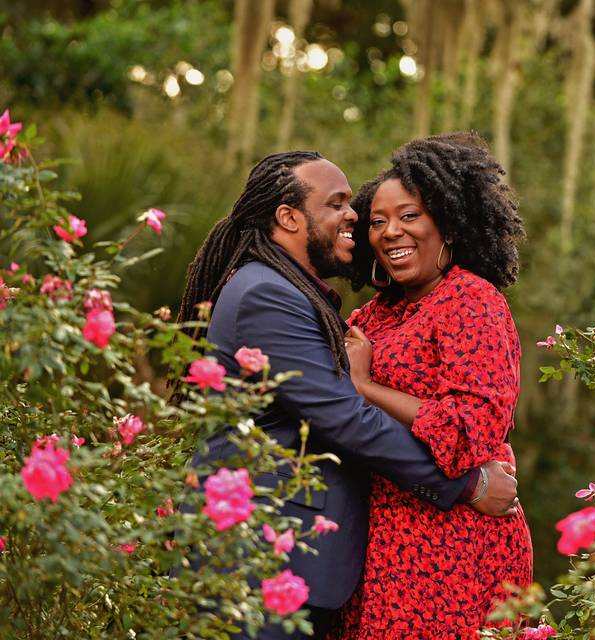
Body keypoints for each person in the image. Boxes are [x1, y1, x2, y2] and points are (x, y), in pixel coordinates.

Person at [175, 150, 520, 639]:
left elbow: (466, 419)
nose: (356, 219)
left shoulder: (468, 300)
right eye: (340, 205)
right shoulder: (271, 295)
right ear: (289, 217)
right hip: (264, 561)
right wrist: (468, 485)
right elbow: (346, 417)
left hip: (425, 552)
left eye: (408, 216)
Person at [339, 132, 533, 639]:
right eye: (377, 222)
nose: (390, 232)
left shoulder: (471, 301)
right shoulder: (373, 314)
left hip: (453, 544)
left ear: (447, 222)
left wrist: (365, 387)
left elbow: (471, 431)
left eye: (409, 216)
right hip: (380, 538)